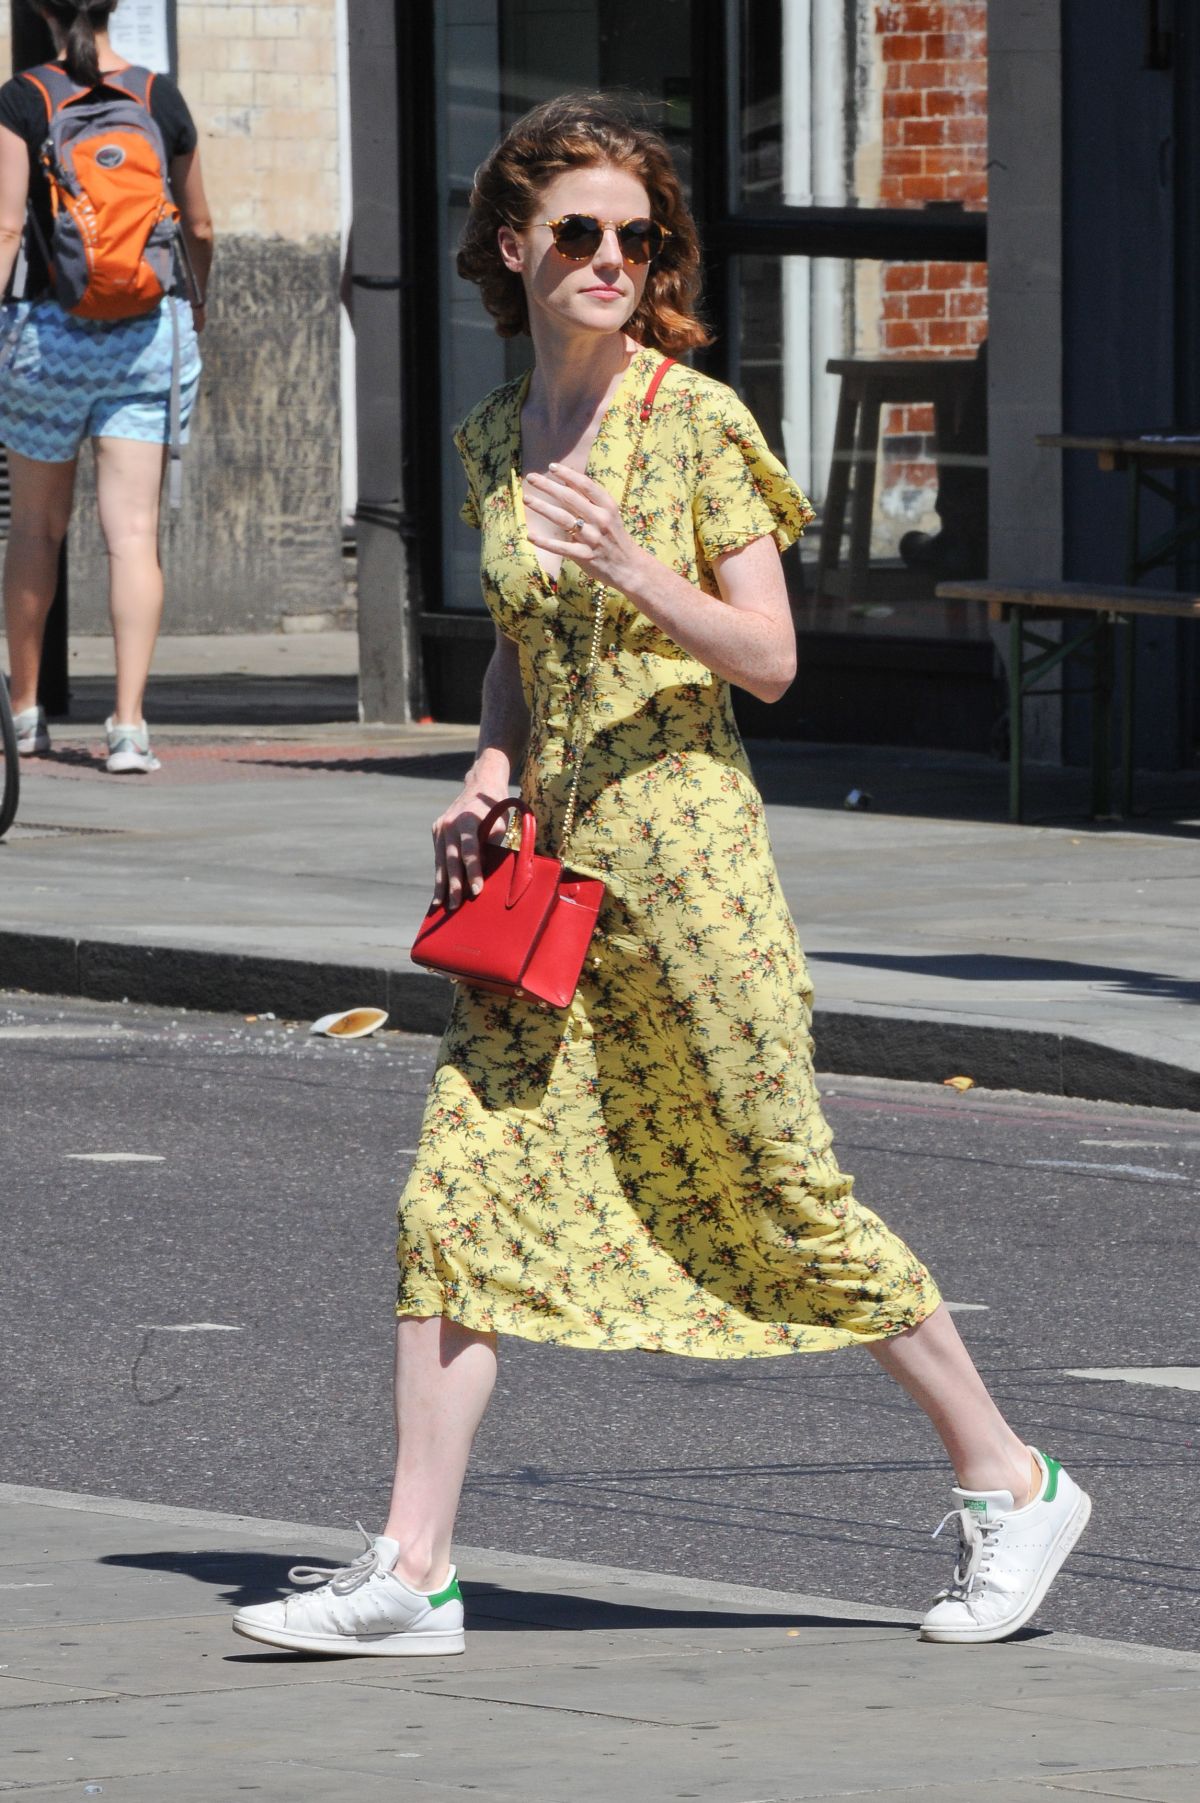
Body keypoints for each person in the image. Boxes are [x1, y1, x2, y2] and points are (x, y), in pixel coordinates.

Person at [232, 95, 1089, 1659]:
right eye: (580, 233)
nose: (613, 257)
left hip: (688, 867)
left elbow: (769, 660)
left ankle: (1010, 1477)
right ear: (518, 249)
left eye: (637, 236)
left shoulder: (691, 423)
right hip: (548, 880)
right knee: (456, 1194)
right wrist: (490, 768)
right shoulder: (498, 433)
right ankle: (413, 1568)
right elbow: (513, 648)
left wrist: (639, 566)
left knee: (778, 1183)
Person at [0, 0, 212, 773]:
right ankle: (128, 727)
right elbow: (202, 227)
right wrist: (200, 305)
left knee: (33, 529)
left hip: (44, 339)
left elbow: (6, 228)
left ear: (41, 11)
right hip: (148, 337)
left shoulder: (24, 98)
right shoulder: (160, 97)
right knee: (132, 536)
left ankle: (24, 715)